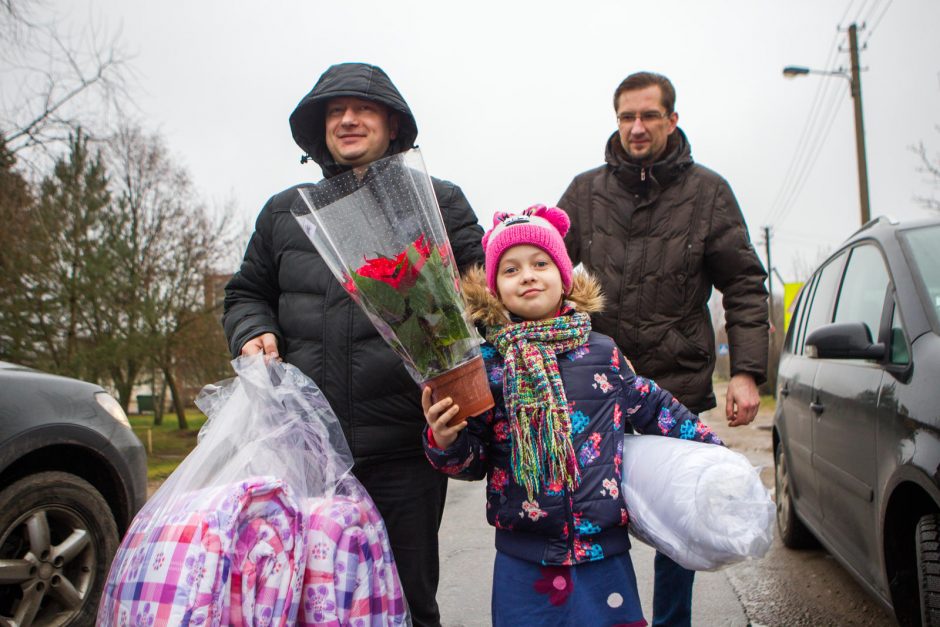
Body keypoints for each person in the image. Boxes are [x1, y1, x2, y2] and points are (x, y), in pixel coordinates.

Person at [223, 62, 485, 627]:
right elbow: (246, 292)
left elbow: (484, 296)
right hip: (305, 450)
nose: (347, 120)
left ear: (392, 124)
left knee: (406, 599)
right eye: (334, 111)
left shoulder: (436, 200)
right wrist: (252, 330)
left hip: (404, 448)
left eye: (361, 108)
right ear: (319, 129)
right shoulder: (284, 211)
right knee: (311, 599)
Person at [421, 205, 724, 626]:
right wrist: (446, 439)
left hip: (603, 550)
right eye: (510, 270)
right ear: (494, 290)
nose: (527, 275)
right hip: (522, 553)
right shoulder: (487, 365)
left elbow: (656, 408)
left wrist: (715, 454)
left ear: (564, 278)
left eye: (540, 263)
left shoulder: (602, 352)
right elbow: (472, 462)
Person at [558, 71, 769, 626]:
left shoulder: (708, 192)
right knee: (599, 514)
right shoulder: (586, 192)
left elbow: (744, 285)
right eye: (627, 116)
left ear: (673, 120)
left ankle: (673, 623)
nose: (636, 127)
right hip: (598, 388)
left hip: (676, 384)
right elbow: (547, 268)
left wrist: (746, 371)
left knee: (680, 517)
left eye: (649, 115)